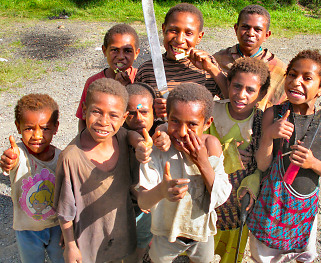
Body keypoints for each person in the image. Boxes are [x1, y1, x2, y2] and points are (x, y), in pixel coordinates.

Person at [247, 50, 321, 262]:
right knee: (264, 256)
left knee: (303, 255)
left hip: (305, 209)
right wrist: (269, 135)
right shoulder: (273, 114)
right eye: (292, 74)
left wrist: (313, 163)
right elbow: (262, 164)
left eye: (307, 78)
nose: (296, 81)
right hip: (272, 203)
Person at [137, 83, 232, 263]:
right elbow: (143, 200)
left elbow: (220, 197)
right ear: (167, 118)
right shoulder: (158, 150)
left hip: (201, 232)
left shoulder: (211, 147)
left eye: (192, 124)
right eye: (175, 121)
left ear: (207, 123)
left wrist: (202, 161)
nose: (181, 132)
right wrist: (161, 191)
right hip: (166, 232)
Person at [54, 78, 137, 263]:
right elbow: (65, 210)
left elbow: (132, 136)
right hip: (88, 246)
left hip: (124, 238)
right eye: (96, 112)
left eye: (113, 115)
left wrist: (139, 141)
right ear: (84, 110)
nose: (103, 121)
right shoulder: (71, 158)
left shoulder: (124, 139)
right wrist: (70, 246)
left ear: (124, 118)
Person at [206, 57, 270, 262]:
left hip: (237, 203)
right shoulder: (211, 111)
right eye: (236, 86)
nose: (241, 95)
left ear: (260, 94)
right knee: (201, 248)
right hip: (208, 195)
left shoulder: (261, 121)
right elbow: (196, 144)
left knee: (230, 251)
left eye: (250, 90)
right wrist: (224, 152)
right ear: (228, 84)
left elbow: (262, 165)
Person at [0, 94, 64, 263]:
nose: (37, 135)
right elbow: (10, 160)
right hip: (26, 230)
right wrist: (7, 161)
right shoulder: (18, 154)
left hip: (57, 227)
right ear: (18, 127)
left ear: (56, 127)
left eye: (44, 128)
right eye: (29, 128)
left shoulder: (61, 158)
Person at [135, 3, 228, 118]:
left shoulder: (207, 67)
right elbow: (135, 106)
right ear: (164, 29)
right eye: (173, 31)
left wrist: (212, 69)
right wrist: (151, 111)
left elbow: (232, 100)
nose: (179, 40)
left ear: (199, 37)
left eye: (188, 33)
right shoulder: (147, 70)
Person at [124, 82, 171, 262]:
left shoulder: (160, 131)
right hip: (125, 206)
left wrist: (164, 135)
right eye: (132, 113)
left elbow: (163, 128)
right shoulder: (119, 134)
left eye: (144, 112)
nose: (139, 118)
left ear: (154, 112)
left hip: (150, 209)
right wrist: (139, 144)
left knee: (142, 240)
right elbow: (131, 136)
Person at [213, 4, 287, 110]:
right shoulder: (219, 60)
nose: (250, 33)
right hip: (226, 122)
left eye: (257, 29)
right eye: (245, 27)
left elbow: (283, 105)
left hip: (262, 124)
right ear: (236, 29)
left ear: (267, 35)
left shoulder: (278, 68)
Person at [76, 23, 140, 131]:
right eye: (114, 50)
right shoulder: (94, 82)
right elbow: (83, 118)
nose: (120, 57)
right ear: (104, 51)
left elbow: (142, 111)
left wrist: (127, 89)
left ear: (136, 53)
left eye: (127, 51)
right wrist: (83, 141)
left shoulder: (140, 78)